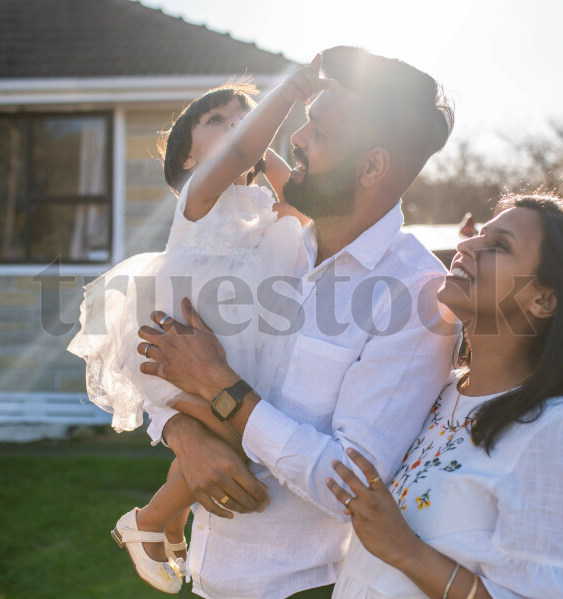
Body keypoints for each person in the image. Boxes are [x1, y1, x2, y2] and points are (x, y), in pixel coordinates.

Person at [134, 46, 459, 599]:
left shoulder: (416, 295)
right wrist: (183, 432)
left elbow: (353, 487)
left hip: (308, 586)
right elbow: (168, 364)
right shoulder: (270, 246)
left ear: (373, 166)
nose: (296, 141)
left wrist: (219, 389)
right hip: (212, 575)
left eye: (321, 132)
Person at [66, 65, 324, 593]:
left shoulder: (267, 211)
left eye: (243, 117)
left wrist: (259, 147)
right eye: (216, 119)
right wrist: (290, 94)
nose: (234, 126)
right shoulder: (198, 199)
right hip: (184, 342)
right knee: (241, 436)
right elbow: (234, 155)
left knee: (231, 431)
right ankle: (147, 520)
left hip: (244, 357)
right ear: (188, 156)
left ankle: (171, 522)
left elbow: (300, 199)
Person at [325, 195, 563, 598]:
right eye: (479, 235)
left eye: (499, 246)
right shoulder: (437, 388)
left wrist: (406, 551)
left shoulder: (560, 432)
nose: (466, 246)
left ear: (544, 299)